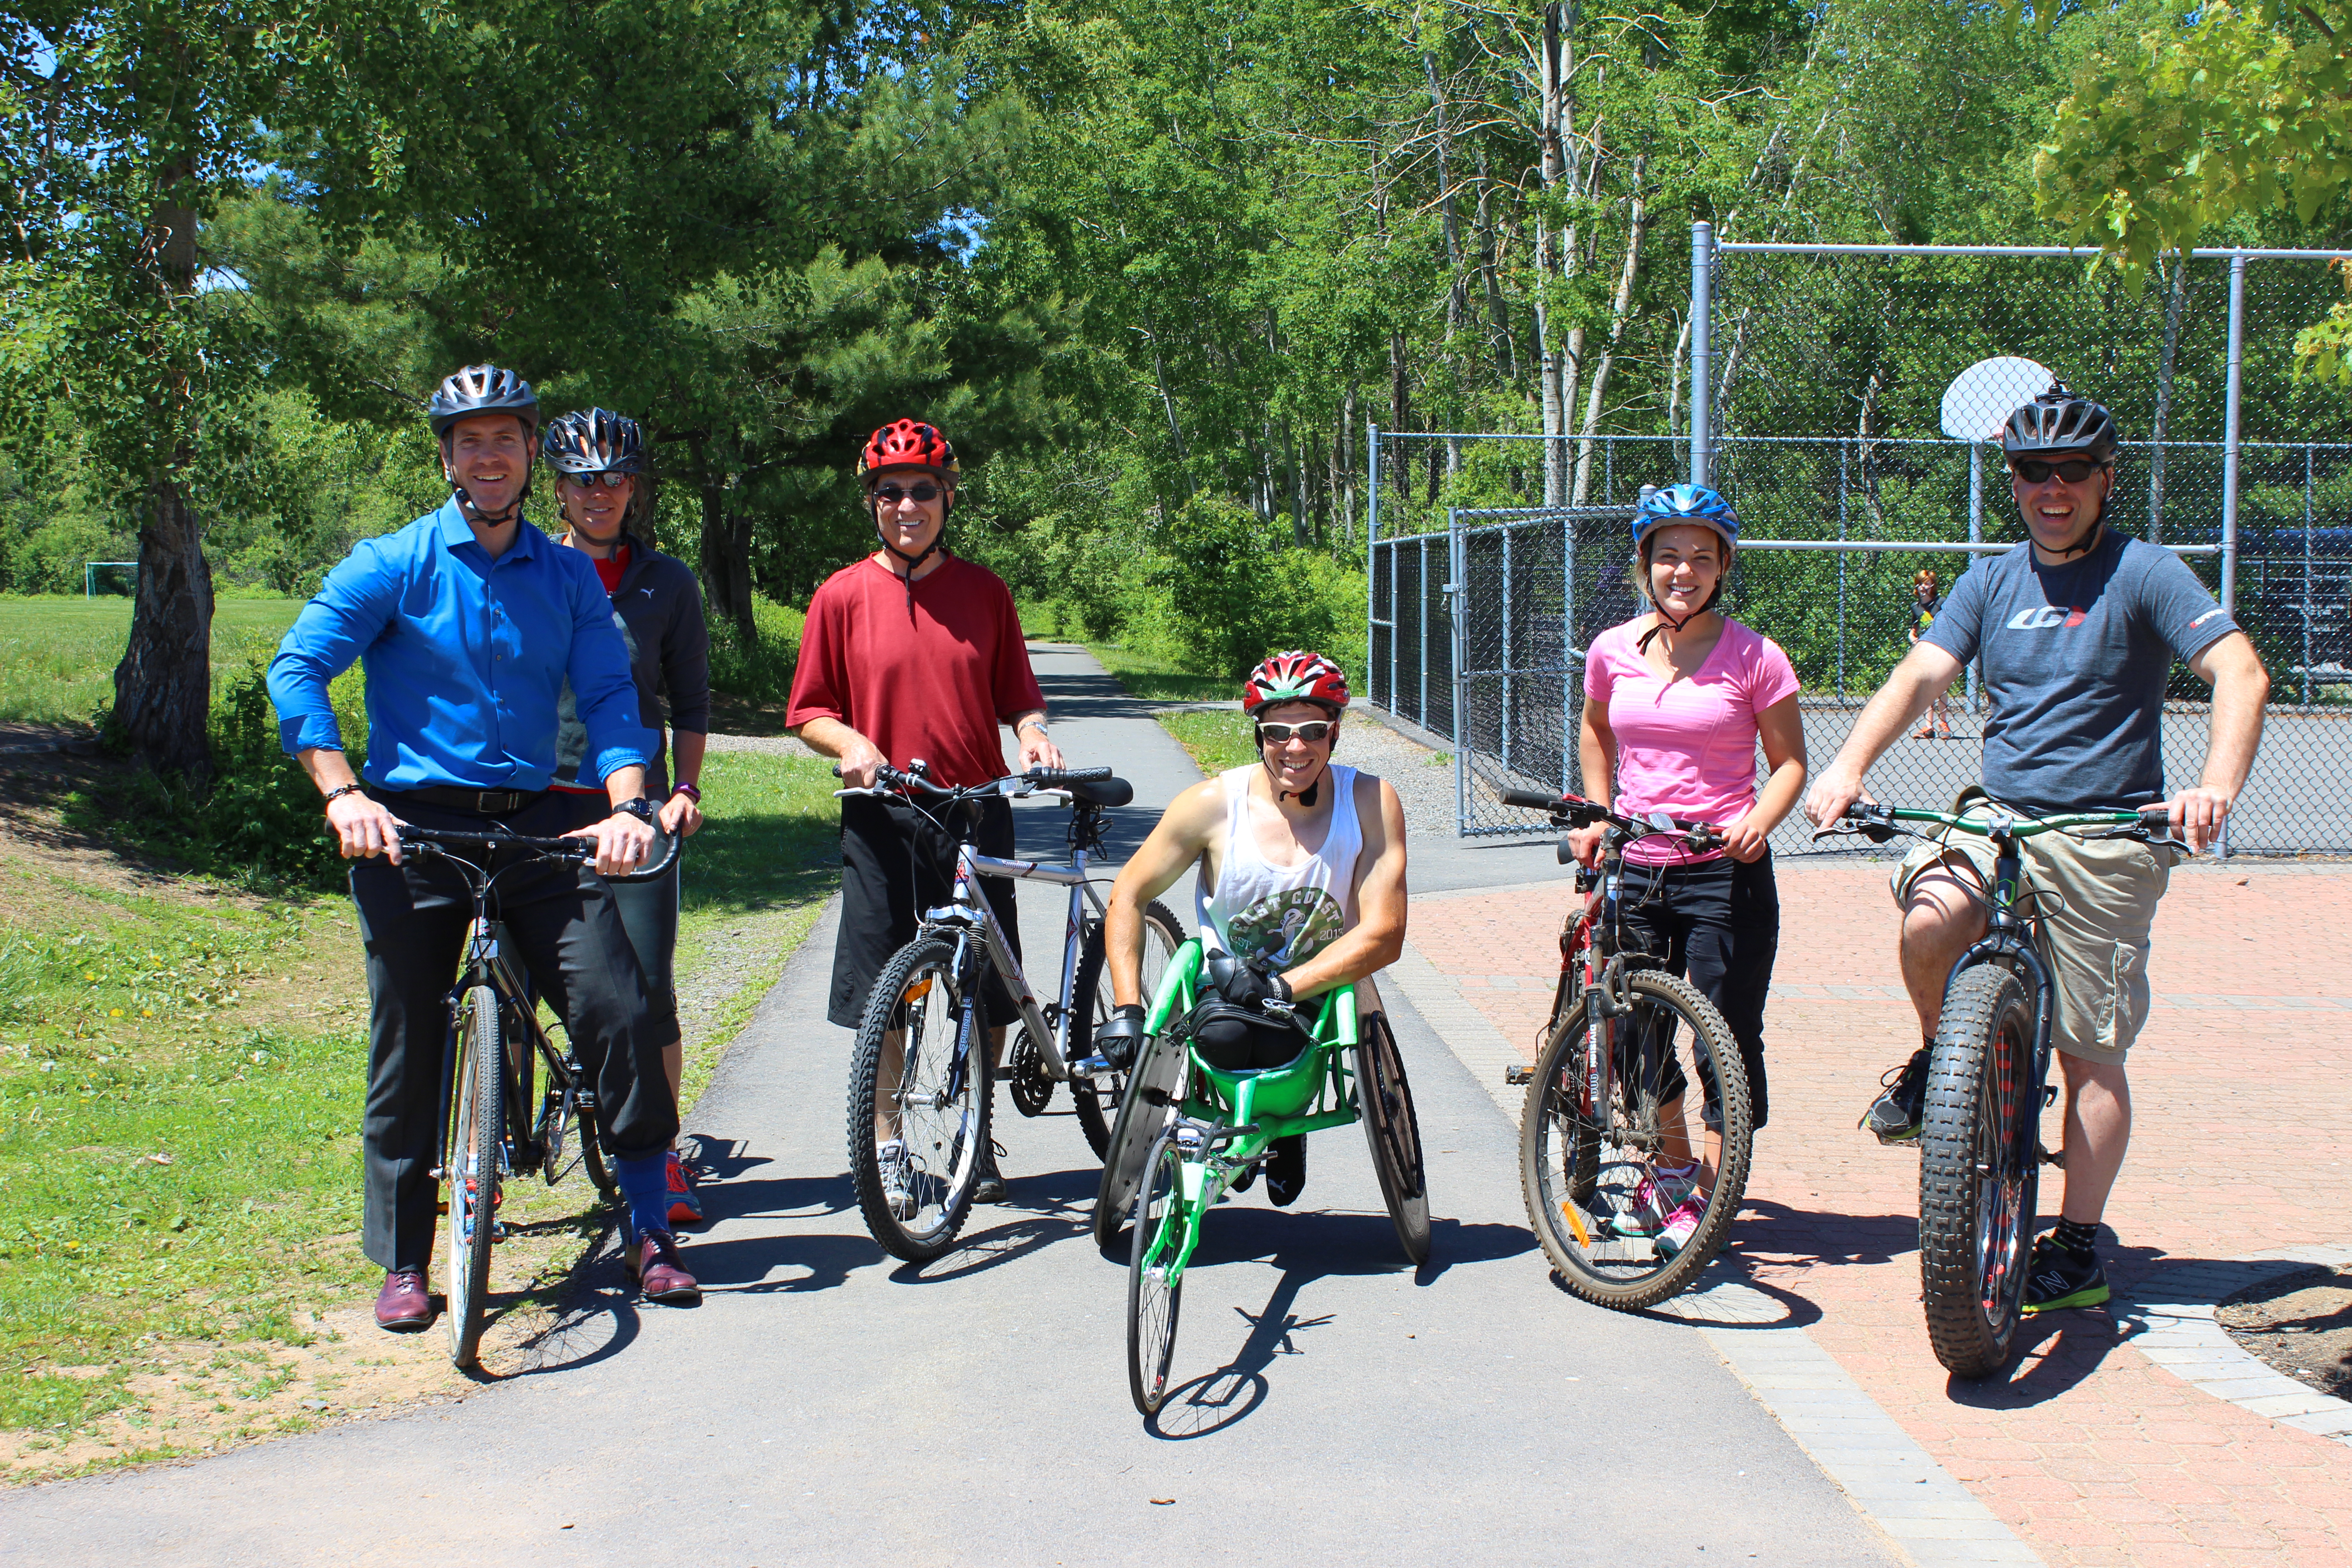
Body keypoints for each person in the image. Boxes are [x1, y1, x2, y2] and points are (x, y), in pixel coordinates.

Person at [1804, 381, 2269, 1314]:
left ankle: (2079, 1244)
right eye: (2030, 472)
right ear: (2012, 480)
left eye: (2070, 472)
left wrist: (2214, 788)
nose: (2050, 489)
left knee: (2089, 1054)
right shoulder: (1991, 579)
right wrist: (1845, 766)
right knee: (1931, 913)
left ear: (2104, 480)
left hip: (2109, 832)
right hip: (2003, 814)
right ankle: (1944, 1058)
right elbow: (1919, 674)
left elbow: (2240, 672)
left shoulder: (2145, 573)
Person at [267, 365, 700, 1329]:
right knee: (408, 1034)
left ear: (530, 451)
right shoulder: (396, 561)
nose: (489, 456)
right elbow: (298, 666)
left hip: (540, 824)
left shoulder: (566, 578)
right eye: (470, 442)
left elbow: (610, 701)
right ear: (447, 457)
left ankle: (647, 1223)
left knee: (621, 1008)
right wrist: (342, 793)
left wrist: (630, 804)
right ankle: (406, 1258)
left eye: (505, 438)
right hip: (412, 827)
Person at [786, 418, 1063, 1205]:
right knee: (883, 987)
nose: (906, 504)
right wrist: (849, 742)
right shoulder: (840, 596)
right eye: (890, 492)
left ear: (946, 496)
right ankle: (887, 1146)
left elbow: (1019, 698)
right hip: (880, 814)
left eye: (922, 490)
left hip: (973, 808)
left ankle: (973, 1135)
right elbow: (809, 709)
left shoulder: (985, 592)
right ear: (871, 500)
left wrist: (1034, 736)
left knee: (986, 976)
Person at [1563, 483, 1806, 1256]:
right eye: (1667, 555)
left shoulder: (1755, 658)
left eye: (1700, 557)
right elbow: (1596, 731)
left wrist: (1757, 821)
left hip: (1721, 872)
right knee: (1634, 1025)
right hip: (1637, 862)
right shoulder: (1612, 649)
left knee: (1723, 1038)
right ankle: (1668, 1167)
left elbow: (1791, 764)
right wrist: (1596, 813)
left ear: (1722, 567)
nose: (1682, 570)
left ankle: (1711, 1186)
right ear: (1644, 563)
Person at [1091, 651, 1408, 1207]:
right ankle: (1244, 1129)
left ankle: (1281, 1135)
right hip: (1229, 987)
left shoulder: (1369, 802)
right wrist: (1127, 1011)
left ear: (1334, 733)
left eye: (1312, 730)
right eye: (1277, 732)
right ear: (1257, 736)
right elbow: (1129, 894)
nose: (1295, 747)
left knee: (1287, 1043)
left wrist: (1287, 987)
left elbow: (1385, 931)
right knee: (1225, 1037)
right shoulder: (1211, 805)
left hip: (1318, 986)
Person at [543, 407, 714, 1226]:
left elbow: (689, 697)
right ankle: (496, 1144)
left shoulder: (665, 582)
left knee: (647, 989)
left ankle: (663, 1153)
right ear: (558, 487)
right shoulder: (529, 569)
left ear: (634, 487)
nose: (598, 492)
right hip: (535, 802)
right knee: (510, 977)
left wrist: (684, 790)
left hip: (637, 809)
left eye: (614, 478)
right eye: (582, 478)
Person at [1906, 569, 1952, 739]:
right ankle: (1929, 726)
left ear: (1932, 585)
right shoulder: (1916, 607)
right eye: (1920, 583)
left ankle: (1944, 723)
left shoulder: (1941, 602)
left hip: (1942, 649)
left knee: (1942, 687)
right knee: (1927, 688)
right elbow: (1914, 631)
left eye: (1926, 583)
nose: (1923, 587)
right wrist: (1913, 639)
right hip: (1925, 651)